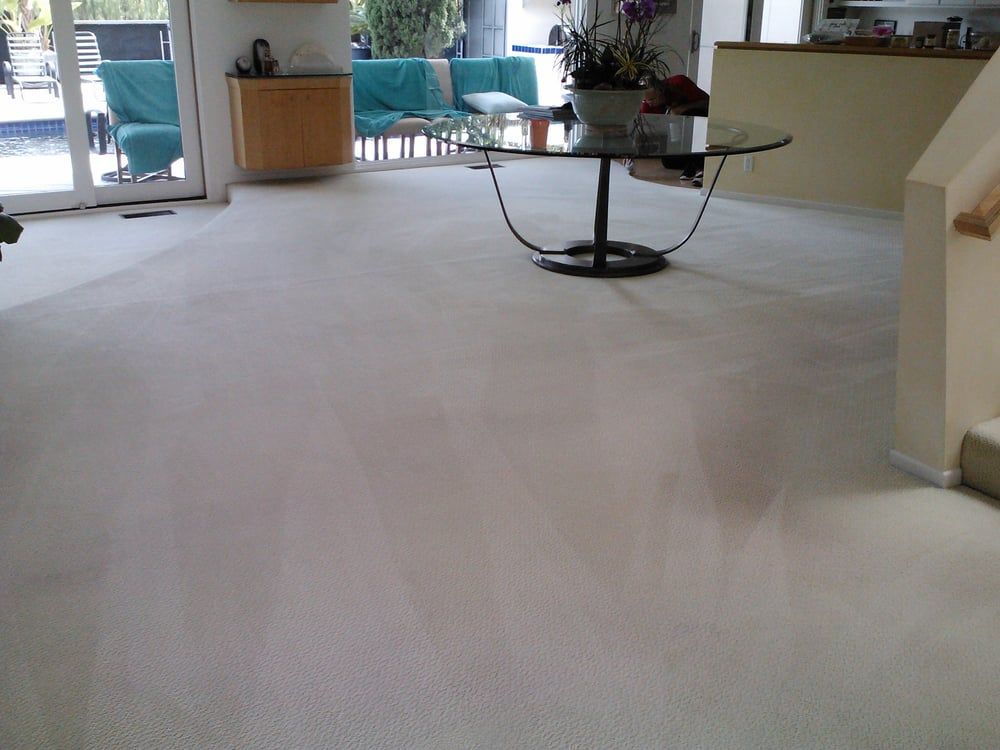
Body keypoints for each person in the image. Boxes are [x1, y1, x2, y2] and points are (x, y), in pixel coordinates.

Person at [641, 75, 710, 186]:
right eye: (646, 99)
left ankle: (697, 167)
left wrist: (682, 109)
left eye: (652, 99)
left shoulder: (680, 83)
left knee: (689, 116)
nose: (649, 102)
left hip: (698, 116)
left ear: (660, 92)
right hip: (676, 131)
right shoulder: (647, 104)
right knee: (668, 162)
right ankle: (697, 163)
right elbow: (641, 126)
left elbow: (708, 103)